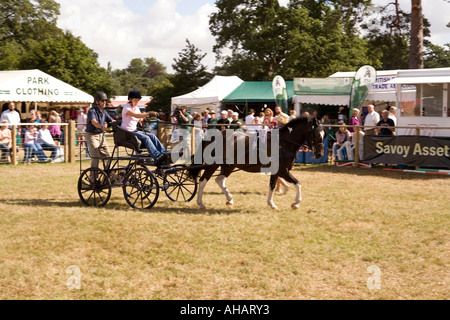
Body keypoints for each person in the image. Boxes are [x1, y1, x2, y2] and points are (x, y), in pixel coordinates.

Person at [121, 90, 170, 164]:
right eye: (135, 100)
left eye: (138, 100)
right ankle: (157, 156)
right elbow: (136, 115)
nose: (137, 101)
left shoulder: (137, 108)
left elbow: (140, 119)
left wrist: (144, 120)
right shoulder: (126, 108)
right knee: (146, 137)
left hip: (134, 130)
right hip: (127, 132)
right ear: (130, 99)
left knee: (152, 136)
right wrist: (148, 114)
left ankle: (165, 153)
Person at [86, 92, 115, 169]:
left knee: (107, 155)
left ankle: (109, 176)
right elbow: (94, 122)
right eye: (102, 100)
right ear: (97, 102)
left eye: (105, 100)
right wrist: (103, 128)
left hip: (101, 135)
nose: (104, 102)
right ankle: (93, 179)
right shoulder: (92, 111)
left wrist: (120, 123)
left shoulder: (104, 112)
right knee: (96, 157)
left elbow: (112, 120)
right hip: (92, 135)